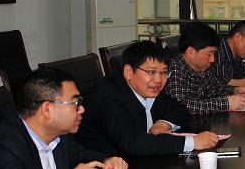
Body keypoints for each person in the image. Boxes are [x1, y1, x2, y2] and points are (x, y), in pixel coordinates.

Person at [78, 41, 219, 156]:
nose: (158, 80)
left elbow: (180, 108)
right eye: (152, 72)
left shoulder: (147, 88)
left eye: (164, 72)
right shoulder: (109, 96)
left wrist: (163, 124)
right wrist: (192, 142)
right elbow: (133, 143)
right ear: (129, 72)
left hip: (142, 163)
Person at [165, 22, 245, 115]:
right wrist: (225, 103)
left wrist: (234, 91)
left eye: (214, 54)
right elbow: (181, 105)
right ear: (190, 52)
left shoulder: (202, 67)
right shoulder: (175, 69)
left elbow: (213, 89)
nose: (212, 59)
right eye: (209, 54)